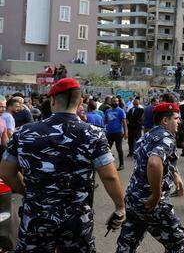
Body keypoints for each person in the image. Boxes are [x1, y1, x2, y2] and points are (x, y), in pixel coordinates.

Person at [0, 77, 126, 252]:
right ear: (80, 101)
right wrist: (120, 207)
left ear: (52, 101)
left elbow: (6, 172)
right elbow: (110, 176)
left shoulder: (24, 133)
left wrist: (26, 190)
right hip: (76, 221)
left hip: (36, 218)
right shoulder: (94, 134)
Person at [116, 103, 184, 252]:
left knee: (128, 243)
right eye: (176, 118)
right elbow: (154, 162)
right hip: (151, 202)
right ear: (165, 121)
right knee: (176, 240)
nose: (179, 121)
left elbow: (162, 159)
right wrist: (156, 194)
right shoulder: (167, 138)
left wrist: (175, 174)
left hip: (134, 198)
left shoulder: (148, 135)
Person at [105, 101, 128, 171]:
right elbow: (105, 121)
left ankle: (121, 164)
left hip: (118, 132)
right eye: (114, 101)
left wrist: (126, 132)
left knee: (119, 148)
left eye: (116, 101)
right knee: (107, 149)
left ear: (118, 102)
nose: (115, 102)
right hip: (109, 132)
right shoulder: (107, 111)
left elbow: (124, 122)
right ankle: (106, 164)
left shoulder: (120, 111)